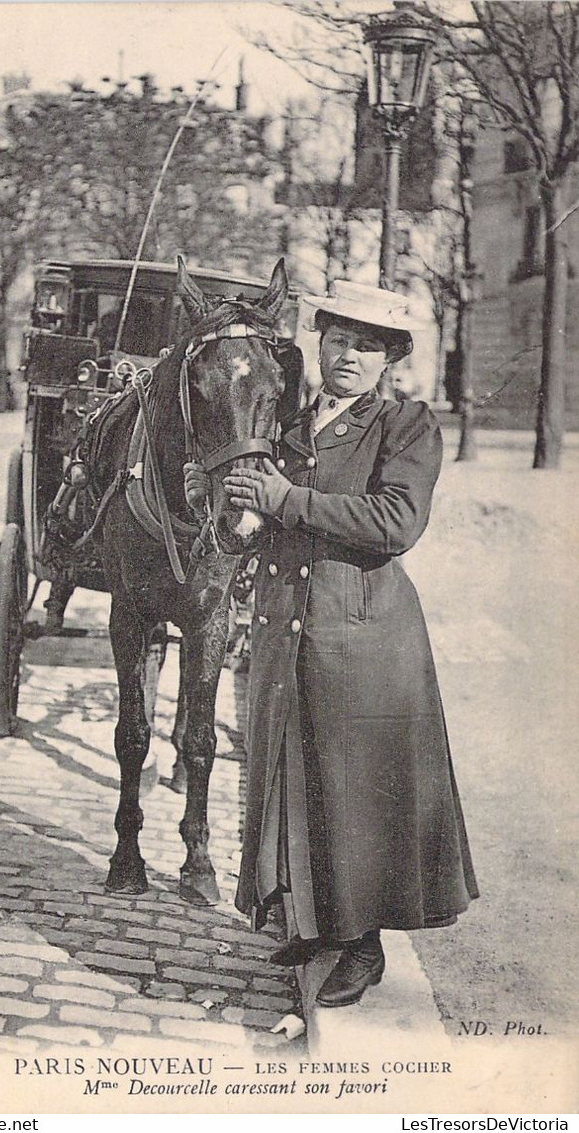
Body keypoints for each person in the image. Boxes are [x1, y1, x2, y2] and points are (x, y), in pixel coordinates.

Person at [184, 280, 478, 1009]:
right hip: (289, 625)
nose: (349, 355)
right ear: (318, 343)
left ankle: (362, 944)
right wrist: (225, 506)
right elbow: (251, 508)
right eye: (339, 339)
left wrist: (285, 500)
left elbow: (396, 521)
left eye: (367, 346)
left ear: (390, 360)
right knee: (298, 774)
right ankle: (317, 924)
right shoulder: (286, 422)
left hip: (365, 632)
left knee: (357, 786)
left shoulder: (406, 424)